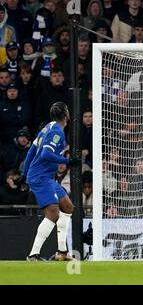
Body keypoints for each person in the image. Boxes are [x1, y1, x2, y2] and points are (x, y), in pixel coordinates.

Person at [15, 102, 80, 261]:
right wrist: (68, 161)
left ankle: (61, 253)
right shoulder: (57, 131)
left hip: (43, 176)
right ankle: (33, 254)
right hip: (40, 177)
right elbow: (45, 154)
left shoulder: (48, 127)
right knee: (53, 213)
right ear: (66, 114)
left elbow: (32, 150)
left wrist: (24, 174)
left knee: (68, 207)